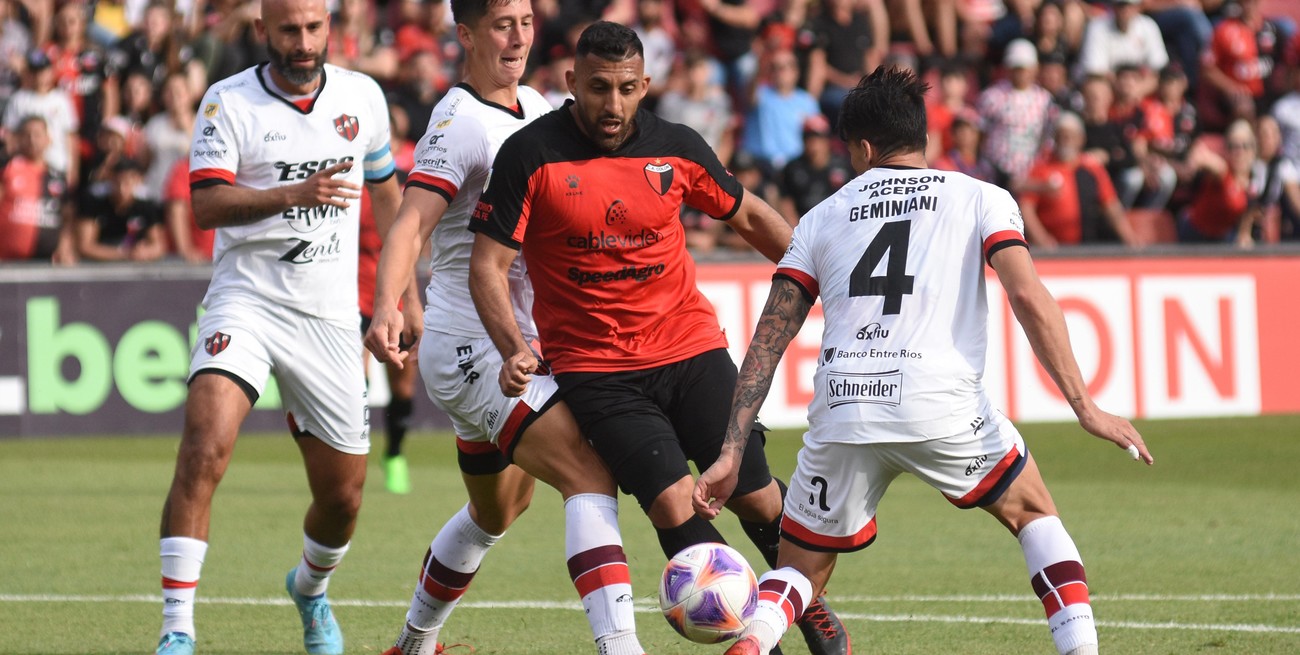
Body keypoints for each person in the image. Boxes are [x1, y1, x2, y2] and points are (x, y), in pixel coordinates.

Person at [693, 67, 1154, 655]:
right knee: (1033, 511)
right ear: (924, 138)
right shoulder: (980, 196)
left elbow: (769, 336)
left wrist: (733, 449)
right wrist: (1086, 407)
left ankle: (753, 644)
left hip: (844, 405)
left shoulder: (820, 217)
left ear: (861, 148)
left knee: (800, 570)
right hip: (939, 398)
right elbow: (1028, 296)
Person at [469, 21, 851, 655]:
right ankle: (760, 640)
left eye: (625, 89)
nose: (612, 106)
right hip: (597, 371)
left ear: (645, 85)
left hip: (692, 349)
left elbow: (749, 214)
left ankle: (808, 604)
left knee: (757, 497)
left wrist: (824, 286)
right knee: (676, 504)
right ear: (571, 83)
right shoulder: (530, 154)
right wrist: (513, 345)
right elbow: (486, 265)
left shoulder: (676, 146)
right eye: (597, 89)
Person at [364, 4, 649, 655]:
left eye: (525, 18)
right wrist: (388, 303)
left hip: (526, 347)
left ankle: (413, 645)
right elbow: (409, 223)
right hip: (472, 347)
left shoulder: (545, 105)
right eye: (501, 22)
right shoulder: (459, 120)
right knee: (587, 469)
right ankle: (621, 646)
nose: (519, 34)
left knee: (495, 512)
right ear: (466, 35)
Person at [152, 0, 402, 651]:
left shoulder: (363, 98)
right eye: (288, 30)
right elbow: (205, 203)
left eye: (313, 28)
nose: (303, 42)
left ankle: (311, 590)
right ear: (264, 30)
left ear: (329, 28)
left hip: (328, 314)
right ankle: (177, 632)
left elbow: (386, 191)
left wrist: (401, 294)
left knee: (344, 496)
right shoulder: (227, 102)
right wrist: (292, 193)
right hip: (247, 301)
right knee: (204, 444)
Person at [357, 186, 418, 495]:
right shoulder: (353, 189)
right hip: (355, 296)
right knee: (356, 378)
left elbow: (413, 245)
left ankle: (394, 453)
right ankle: (355, 454)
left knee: (403, 385)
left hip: (397, 301)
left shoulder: (406, 193)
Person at [1019, 111, 1139, 249]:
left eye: (1071, 137)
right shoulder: (1040, 169)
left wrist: (1129, 238)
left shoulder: (1092, 169)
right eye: (1062, 136)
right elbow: (1027, 208)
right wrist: (1041, 238)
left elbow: (1111, 206)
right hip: (1053, 247)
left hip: (1086, 246)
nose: (1066, 141)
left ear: (1081, 139)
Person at [0, 115, 75, 263]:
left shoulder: (58, 177)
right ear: (19, 139)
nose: (32, 140)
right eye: (27, 135)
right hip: (7, 262)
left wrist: (65, 247)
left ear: (48, 139)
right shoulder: (7, 170)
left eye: (37, 135)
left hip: (46, 264)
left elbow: (67, 219)